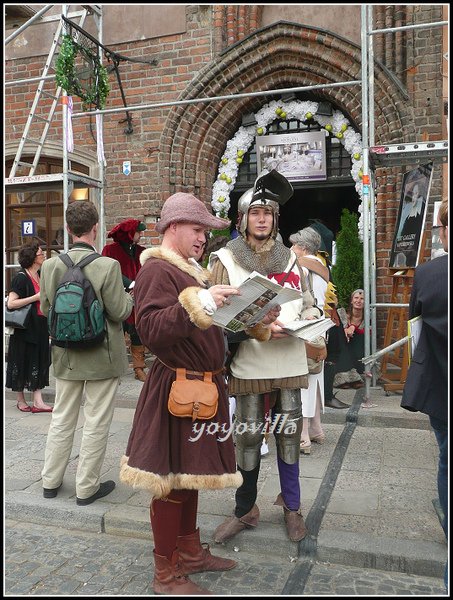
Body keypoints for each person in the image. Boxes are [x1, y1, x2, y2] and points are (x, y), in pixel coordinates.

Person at [119, 192, 248, 595]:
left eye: (206, 232)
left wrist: (257, 320)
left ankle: (189, 552)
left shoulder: (190, 271)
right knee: (169, 480)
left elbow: (206, 326)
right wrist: (203, 300)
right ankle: (165, 573)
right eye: (197, 229)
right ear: (173, 227)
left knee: (188, 474)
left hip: (201, 386)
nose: (203, 238)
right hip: (176, 386)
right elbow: (152, 330)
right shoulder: (159, 270)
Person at [209, 170, 322, 544]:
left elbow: (307, 303)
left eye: (269, 213)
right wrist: (255, 327)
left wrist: (310, 321)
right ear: (243, 219)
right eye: (256, 212)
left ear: (276, 219)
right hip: (250, 363)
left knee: (289, 436)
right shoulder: (225, 258)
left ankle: (292, 507)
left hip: (288, 359)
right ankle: (245, 510)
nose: (262, 219)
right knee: (247, 438)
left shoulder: (291, 259)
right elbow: (215, 315)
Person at [39, 201, 134, 505]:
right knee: (95, 421)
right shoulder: (108, 265)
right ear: (96, 228)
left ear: (68, 229)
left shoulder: (52, 265)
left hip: (65, 355)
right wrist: (130, 299)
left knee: (61, 417)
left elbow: (45, 309)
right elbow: (119, 312)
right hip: (101, 357)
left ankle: (50, 481)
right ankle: (86, 487)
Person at [400, 199, 448, 591]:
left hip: (442, 385)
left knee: (447, 456)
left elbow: (415, 320)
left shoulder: (430, 274)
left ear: (444, 232)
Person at [289, 227, 330, 454]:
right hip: (321, 330)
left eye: (294, 245)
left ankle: (303, 435)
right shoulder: (323, 266)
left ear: (303, 248)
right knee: (315, 379)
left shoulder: (302, 267)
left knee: (303, 382)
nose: (291, 249)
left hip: (307, 327)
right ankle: (316, 428)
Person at [6, 241, 53, 413]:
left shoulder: (40, 274)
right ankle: (20, 400)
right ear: (33, 257)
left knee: (40, 359)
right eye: (41, 253)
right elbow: (11, 303)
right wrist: (35, 297)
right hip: (24, 329)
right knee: (22, 361)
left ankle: (38, 401)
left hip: (40, 325)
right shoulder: (20, 277)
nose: (44, 255)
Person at [101, 219, 148, 382]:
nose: (141, 235)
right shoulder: (109, 250)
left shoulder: (142, 251)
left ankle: (139, 368)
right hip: (116, 299)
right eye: (138, 232)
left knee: (137, 334)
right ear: (129, 233)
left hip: (137, 300)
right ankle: (112, 369)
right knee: (115, 335)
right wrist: (130, 283)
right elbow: (107, 271)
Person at [333, 289, 367, 391]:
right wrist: (346, 330)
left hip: (359, 352)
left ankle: (356, 376)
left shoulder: (368, 318)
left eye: (362, 299)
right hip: (345, 350)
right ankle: (344, 377)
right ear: (351, 301)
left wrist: (353, 328)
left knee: (358, 337)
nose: (359, 301)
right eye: (356, 298)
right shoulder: (343, 315)